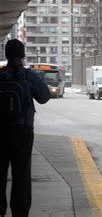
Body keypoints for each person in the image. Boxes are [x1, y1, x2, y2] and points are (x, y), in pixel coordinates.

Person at [0, 39, 50, 217]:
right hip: (23, 131)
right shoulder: (28, 75)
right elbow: (44, 97)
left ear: (6, 55)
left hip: (0, 131)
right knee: (21, 174)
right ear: (22, 56)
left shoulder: (0, 74)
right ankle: (19, 213)